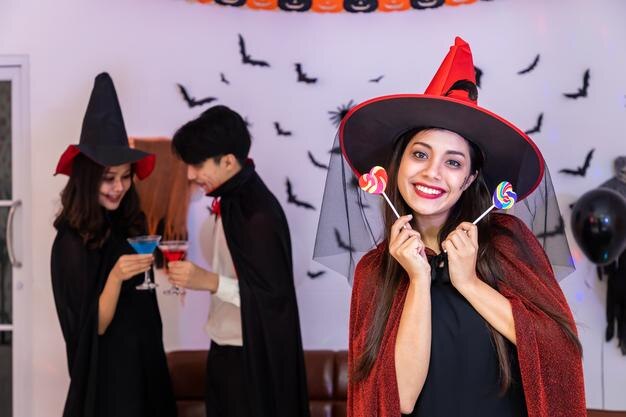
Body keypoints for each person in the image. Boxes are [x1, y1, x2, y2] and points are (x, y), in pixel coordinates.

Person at [315, 37, 586, 417]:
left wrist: (468, 283)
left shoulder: (507, 240)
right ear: (397, 165)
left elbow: (559, 354)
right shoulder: (374, 272)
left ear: (470, 178)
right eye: (420, 154)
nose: (432, 173)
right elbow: (399, 400)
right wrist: (419, 280)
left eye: (453, 162)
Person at [167, 105, 310, 417]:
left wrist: (208, 282)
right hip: (226, 349)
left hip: (251, 359)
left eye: (197, 164)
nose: (191, 174)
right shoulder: (231, 203)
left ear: (229, 161)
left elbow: (274, 298)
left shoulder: (256, 214)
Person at [51, 73, 176, 417]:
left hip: (146, 370)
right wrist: (117, 276)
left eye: (125, 176)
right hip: (108, 387)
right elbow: (91, 329)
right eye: (108, 178)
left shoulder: (127, 223)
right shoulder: (70, 243)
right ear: (88, 177)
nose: (118, 187)